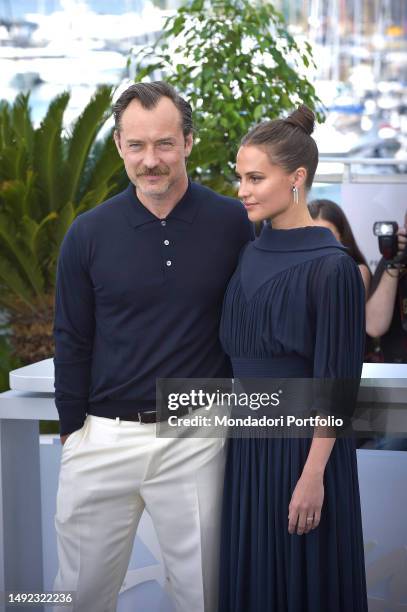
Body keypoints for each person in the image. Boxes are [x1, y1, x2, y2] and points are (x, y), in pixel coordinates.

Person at [52, 81, 253, 612]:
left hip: (195, 434)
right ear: (118, 146)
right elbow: (71, 335)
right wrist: (74, 433)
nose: (150, 160)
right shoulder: (88, 233)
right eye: (136, 146)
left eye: (164, 144)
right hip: (102, 438)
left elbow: (260, 316)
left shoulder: (233, 223)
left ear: (188, 141)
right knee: (76, 595)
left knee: (201, 594)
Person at [218, 106, 368, 612]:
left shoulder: (333, 268)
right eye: (241, 177)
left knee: (307, 584)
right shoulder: (249, 253)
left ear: (297, 179)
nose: (243, 190)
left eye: (256, 177)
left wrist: (312, 476)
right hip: (247, 450)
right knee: (254, 583)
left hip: (305, 456)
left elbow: (338, 385)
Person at [308, 199, 371, 297]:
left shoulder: (357, 271)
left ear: (341, 235)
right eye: (311, 235)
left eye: (326, 235)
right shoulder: (295, 272)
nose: (318, 243)